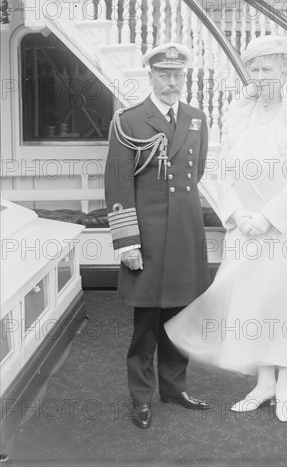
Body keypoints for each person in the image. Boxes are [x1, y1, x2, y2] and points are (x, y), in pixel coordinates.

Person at [165, 35, 287, 422]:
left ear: (285, 69)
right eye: (253, 68)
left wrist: (266, 217)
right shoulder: (239, 110)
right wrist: (236, 214)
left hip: (285, 226)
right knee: (251, 302)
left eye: (267, 68)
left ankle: (284, 383)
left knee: (282, 303)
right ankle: (263, 382)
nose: (260, 75)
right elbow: (218, 169)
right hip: (244, 226)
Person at [104, 42, 211, 429]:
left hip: (184, 235)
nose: (171, 82)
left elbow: (195, 174)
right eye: (164, 75)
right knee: (146, 325)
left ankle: (174, 387)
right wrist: (127, 242)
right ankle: (141, 397)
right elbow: (117, 185)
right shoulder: (129, 121)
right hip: (146, 239)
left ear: (185, 77)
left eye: (177, 75)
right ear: (150, 76)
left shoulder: (197, 118)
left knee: (180, 317)